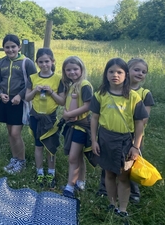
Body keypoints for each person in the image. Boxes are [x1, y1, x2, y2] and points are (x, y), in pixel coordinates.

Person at [90, 58, 148, 218]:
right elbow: (94, 118)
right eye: (111, 71)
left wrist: (135, 146)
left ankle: (123, 209)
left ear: (126, 74)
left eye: (119, 72)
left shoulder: (134, 97)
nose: (115, 75)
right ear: (106, 74)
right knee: (109, 173)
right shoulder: (100, 94)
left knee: (124, 176)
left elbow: (139, 123)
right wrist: (94, 140)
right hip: (105, 139)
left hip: (125, 141)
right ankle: (112, 203)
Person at [0, 34, 37, 174]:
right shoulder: (1, 63)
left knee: (15, 133)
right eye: (7, 47)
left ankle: (22, 161)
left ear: (19, 47)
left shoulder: (27, 62)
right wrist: (0, 94)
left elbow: (32, 82)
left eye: (13, 46)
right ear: (3, 48)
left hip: (20, 102)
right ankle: (15, 158)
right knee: (10, 133)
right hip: (6, 101)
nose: (10, 50)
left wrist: (20, 95)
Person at [25, 48, 65, 189]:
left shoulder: (58, 79)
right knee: (38, 146)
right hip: (36, 117)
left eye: (47, 61)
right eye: (40, 62)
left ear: (52, 61)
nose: (44, 65)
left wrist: (51, 92)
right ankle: (40, 172)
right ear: (36, 63)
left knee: (50, 147)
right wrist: (35, 90)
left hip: (51, 119)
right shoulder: (33, 78)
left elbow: (62, 101)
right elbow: (27, 97)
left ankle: (51, 173)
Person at [60, 56, 93, 198]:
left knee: (73, 157)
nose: (72, 72)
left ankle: (69, 187)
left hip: (81, 126)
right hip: (73, 125)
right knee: (79, 156)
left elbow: (88, 105)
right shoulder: (73, 85)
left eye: (75, 69)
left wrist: (70, 114)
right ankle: (80, 182)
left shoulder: (84, 85)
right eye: (68, 70)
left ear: (81, 69)